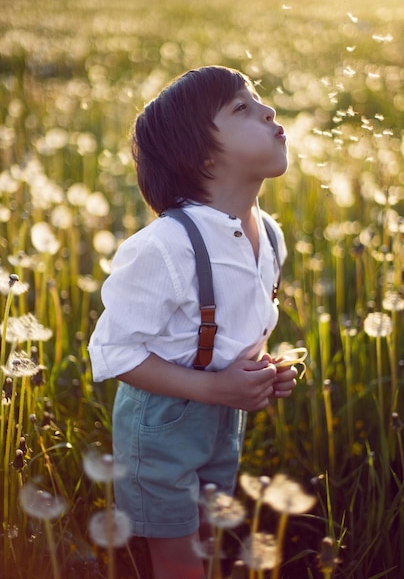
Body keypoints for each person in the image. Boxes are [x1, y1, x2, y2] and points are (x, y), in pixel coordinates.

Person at [88, 65, 297, 579]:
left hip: (224, 417)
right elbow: (115, 354)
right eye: (241, 109)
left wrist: (263, 371)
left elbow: (237, 328)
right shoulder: (164, 248)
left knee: (208, 538)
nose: (268, 110)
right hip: (161, 422)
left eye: (259, 99)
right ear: (203, 157)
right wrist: (219, 390)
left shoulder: (269, 235)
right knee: (178, 556)